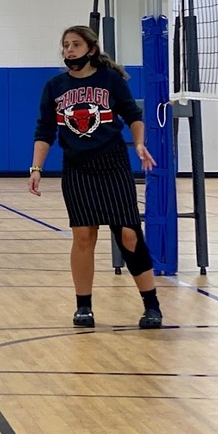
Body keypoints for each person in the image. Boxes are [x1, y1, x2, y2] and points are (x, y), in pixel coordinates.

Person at [29, 25, 163, 330]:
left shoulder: (110, 80)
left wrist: (140, 144)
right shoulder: (54, 87)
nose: (69, 50)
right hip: (76, 168)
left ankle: (151, 305)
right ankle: (84, 307)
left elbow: (133, 116)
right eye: (65, 45)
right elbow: (44, 131)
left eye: (75, 44)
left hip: (112, 164)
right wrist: (36, 168)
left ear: (91, 49)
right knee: (84, 236)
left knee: (128, 235)